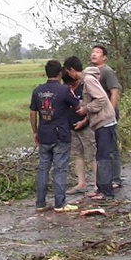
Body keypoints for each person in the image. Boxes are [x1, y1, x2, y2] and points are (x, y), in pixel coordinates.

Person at [29, 60, 81, 212]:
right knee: (60, 169)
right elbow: (77, 106)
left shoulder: (37, 91)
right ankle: (60, 203)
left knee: (43, 169)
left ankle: (40, 203)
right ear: (60, 73)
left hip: (44, 134)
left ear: (46, 73)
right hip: (60, 134)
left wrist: (35, 132)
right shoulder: (64, 90)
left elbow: (32, 113)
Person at [64, 56, 118, 200]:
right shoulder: (88, 79)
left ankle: (106, 192)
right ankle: (101, 188)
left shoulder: (88, 80)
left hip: (104, 121)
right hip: (101, 121)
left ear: (71, 70)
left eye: (68, 72)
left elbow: (100, 98)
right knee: (100, 155)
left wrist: (85, 109)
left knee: (103, 157)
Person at [90, 45, 123, 188]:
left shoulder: (107, 71)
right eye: (93, 52)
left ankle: (115, 178)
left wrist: (111, 111)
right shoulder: (92, 72)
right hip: (98, 116)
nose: (94, 54)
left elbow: (114, 92)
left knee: (111, 147)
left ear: (104, 57)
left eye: (98, 52)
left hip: (108, 115)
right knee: (103, 147)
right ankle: (106, 178)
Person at [61, 68, 97, 195]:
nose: (70, 87)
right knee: (77, 155)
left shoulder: (85, 87)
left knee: (91, 154)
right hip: (71, 127)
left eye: (72, 84)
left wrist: (85, 121)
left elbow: (93, 105)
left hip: (86, 126)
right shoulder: (65, 90)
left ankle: (98, 183)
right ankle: (81, 183)